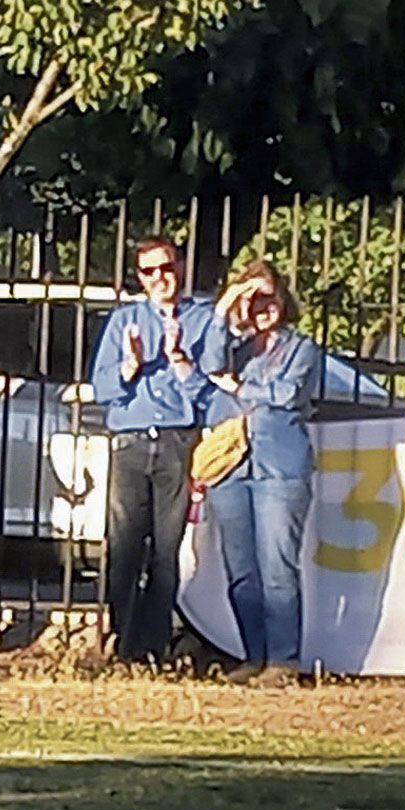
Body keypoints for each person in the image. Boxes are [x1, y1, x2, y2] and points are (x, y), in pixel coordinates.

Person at [89, 236, 226, 663]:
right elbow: (101, 388)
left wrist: (180, 359)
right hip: (131, 441)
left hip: (176, 441)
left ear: (180, 268)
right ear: (140, 278)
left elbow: (210, 393)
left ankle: (152, 646)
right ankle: (124, 641)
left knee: (167, 551)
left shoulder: (204, 320)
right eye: (149, 271)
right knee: (124, 545)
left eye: (166, 268)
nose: (160, 278)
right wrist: (130, 366)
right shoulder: (124, 321)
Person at [205, 260, 321, 684]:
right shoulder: (237, 345)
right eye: (254, 298)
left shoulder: (302, 348)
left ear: (284, 298)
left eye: (269, 295)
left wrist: (239, 387)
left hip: (280, 468)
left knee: (277, 567)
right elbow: (209, 363)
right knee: (241, 568)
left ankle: (283, 661)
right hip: (232, 467)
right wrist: (226, 309)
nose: (263, 305)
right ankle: (253, 656)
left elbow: (287, 394)